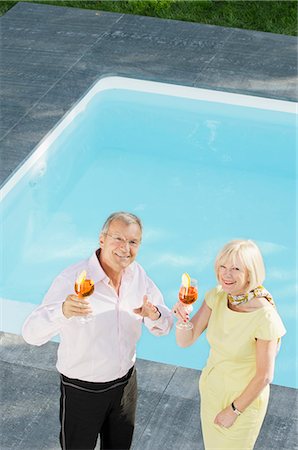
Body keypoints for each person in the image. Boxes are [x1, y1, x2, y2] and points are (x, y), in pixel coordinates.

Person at [22, 211, 173, 450]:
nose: (126, 248)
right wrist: (63, 310)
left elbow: (163, 326)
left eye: (133, 242)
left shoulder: (138, 276)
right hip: (83, 389)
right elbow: (31, 333)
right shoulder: (72, 279)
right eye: (118, 239)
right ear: (102, 240)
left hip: (125, 386)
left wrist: (154, 313)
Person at [173, 239, 286, 450]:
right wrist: (183, 319)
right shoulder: (217, 296)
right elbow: (185, 341)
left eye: (235, 269)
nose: (226, 274)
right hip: (211, 391)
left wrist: (233, 411)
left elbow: (265, 376)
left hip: (242, 403)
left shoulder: (265, 317)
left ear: (250, 273)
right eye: (222, 267)